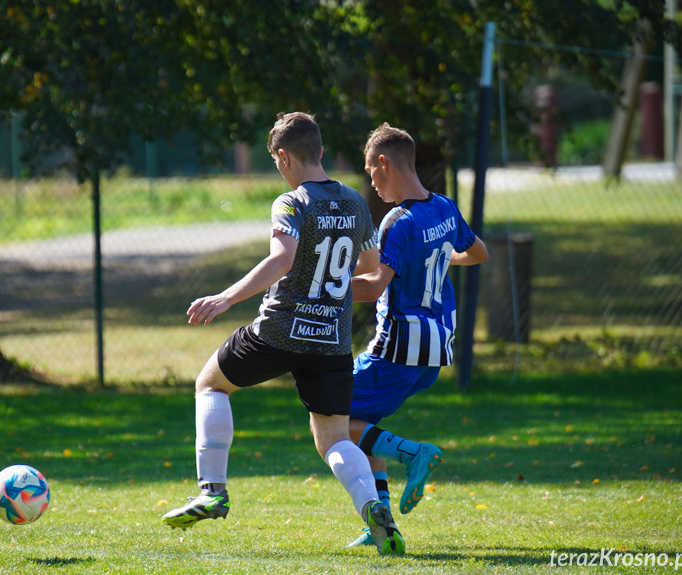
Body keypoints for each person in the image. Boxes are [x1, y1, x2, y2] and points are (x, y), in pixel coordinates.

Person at [162, 112, 405, 556]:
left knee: (210, 384)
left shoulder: (290, 202)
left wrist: (226, 297)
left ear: (282, 155)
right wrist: (329, 289)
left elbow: (282, 259)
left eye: (277, 161)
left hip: (280, 331)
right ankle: (372, 505)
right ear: (321, 151)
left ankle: (212, 490)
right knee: (333, 438)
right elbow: (370, 273)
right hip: (331, 341)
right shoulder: (354, 201)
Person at [345, 123, 489, 547]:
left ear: (385, 163)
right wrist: (439, 257)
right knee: (364, 424)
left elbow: (372, 288)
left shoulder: (397, 221)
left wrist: (315, 288)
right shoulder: (444, 207)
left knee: (331, 417)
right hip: (434, 350)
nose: (372, 182)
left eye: (372, 172)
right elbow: (479, 253)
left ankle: (414, 452)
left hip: (398, 346)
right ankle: (381, 523)